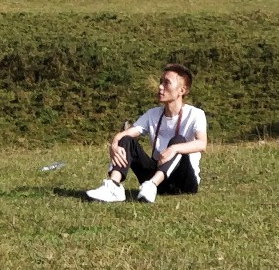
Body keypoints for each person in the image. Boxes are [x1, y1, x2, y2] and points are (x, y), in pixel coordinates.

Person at [84, 64, 207, 202]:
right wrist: (114, 145)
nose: (160, 87)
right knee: (126, 139)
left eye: (167, 83)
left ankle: (151, 185)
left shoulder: (196, 114)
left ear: (182, 90)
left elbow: (202, 144)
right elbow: (129, 133)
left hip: (183, 182)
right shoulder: (152, 114)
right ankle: (114, 186)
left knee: (178, 140)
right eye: (161, 82)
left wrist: (174, 148)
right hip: (156, 172)